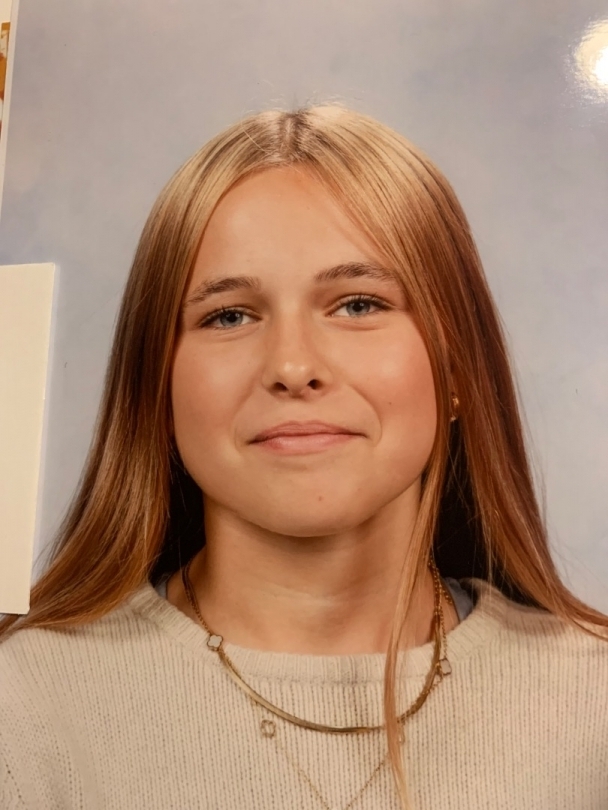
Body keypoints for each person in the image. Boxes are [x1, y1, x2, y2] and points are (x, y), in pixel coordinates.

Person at [0, 103, 607, 810]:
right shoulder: (26, 707)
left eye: (358, 304)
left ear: (458, 370)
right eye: (229, 315)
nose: (293, 366)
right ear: (155, 387)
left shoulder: (593, 702)